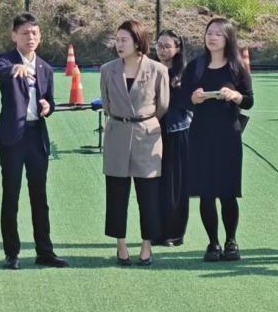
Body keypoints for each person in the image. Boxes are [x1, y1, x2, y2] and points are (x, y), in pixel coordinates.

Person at [0, 12, 68, 270]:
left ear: (40, 36)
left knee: (39, 196)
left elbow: (50, 100)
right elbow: (0, 72)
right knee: (11, 196)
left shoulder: (45, 67)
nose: (30, 37)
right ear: (14, 36)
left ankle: (44, 251)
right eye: (25, 33)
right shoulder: (6, 60)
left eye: (34, 33)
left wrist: (48, 106)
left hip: (36, 136)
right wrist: (15, 68)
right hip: (13, 138)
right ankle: (11, 252)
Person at [99, 19, 170, 266]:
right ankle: (120, 244)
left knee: (148, 195)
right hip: (117, 132)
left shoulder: (158, 70)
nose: (119, 44)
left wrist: (144, 121)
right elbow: (107, 104)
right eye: (117, 40)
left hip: (146, 135)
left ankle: (146, 245)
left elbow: (162, 106)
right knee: (116, 193)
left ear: (138, 42)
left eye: (124, 40)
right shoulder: (107, 70)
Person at [184, 17, 254, 262]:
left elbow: (249, 100)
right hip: (200, 135)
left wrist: (235, 95)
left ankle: (231, 241)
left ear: (228, 38)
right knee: (206, 192)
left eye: (217, 34)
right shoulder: (196, 66)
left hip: (228, 136)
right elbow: (183, 99)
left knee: (227, 191)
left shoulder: (237, 67)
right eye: (209, 33)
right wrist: (193, 98)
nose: (212, 37)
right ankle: (212, 242)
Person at [152, 29, 191, 247]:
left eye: (167, 46)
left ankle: (175, 233)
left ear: (177, 48)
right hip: (152, 133)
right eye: (159, 45)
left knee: (175, 184)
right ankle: (156, 230)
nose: (162, 50)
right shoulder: (150, 69)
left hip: (177, 132)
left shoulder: (184, 74)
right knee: (155, 183)